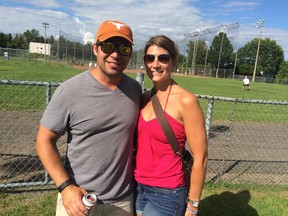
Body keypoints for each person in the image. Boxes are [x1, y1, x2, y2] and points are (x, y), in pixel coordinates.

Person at [35, 20, 142, 216]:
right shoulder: (70, 91)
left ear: (129, 54)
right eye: (108, 46)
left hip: (123, 200)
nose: (116, 54)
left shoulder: (135, 91)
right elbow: (44, 141)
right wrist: (65, 187)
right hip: (78, 199)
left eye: (124, 48)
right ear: (95, 48)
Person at [134, 35, 208, 216]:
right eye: (150, 58)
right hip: (138, 188)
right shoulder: (144, 98)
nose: (155, 64)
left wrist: (193, 205)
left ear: (174, 62)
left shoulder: (186, 100)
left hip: (167, 193)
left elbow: (201, 158)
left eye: (163, 58)